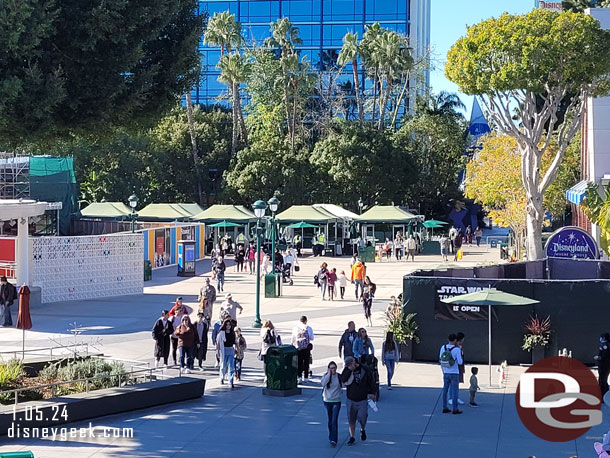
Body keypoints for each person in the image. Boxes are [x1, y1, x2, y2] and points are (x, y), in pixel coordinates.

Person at [341, 356, 376, 446]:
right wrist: (349, 370)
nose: (349, 366)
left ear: (354, 362)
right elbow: (342, 379)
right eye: (348, 365)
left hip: (362, 399)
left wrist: (372, 392)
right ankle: (352, 437)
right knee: (351, 420)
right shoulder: (347, 369)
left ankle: (362, 429)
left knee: (362, 417)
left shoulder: (364, 368)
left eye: (350, 364)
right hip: (351, 399)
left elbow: (371, 381)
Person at [439, 333, 464, 414]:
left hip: (445, 371)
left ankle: (444, 407)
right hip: (454, 372)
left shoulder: (443, 347)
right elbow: (460, 362)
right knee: (455, 391)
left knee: (445, 390)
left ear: (448, 339)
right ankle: (455, 409)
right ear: (455, 340)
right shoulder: (457, 349)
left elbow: (440, 358)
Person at [320, 361, 343, 447]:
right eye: (331, 368)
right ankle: (331, 436)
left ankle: (334, 439)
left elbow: (344, 384)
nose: (333, 370)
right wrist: (328, 374)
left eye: (334, 368)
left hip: (336, 401)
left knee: (334, 420)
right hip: (327, 400)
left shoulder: (338, 376)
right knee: (330, 421)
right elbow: (323, 383)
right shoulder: (326, 376)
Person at [292, 315, 314, 384]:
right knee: (306, 362)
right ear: (306, 321)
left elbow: (293, 338)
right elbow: (312, 338)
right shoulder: (308, 328)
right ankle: (306, 377)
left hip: (298, 348)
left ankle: (299, 377)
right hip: (306, 348)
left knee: (299, 362)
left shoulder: (296, 328)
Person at [168, 297, 188, 366]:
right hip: (174, 335)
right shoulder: (174, 308)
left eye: (181, 301)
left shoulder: (183, 308)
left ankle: (181, 360)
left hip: (181, 335)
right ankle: (174, 360)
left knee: (181, 348)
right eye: (179, 301)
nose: (180, 303)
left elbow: (187, 314)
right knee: (174, 348)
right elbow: (170, 314)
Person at [217, 319, 236, 387]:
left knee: (231, 366)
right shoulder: (222, 333)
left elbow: (234, 342)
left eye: (229, 325)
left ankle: (231, 380)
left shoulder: (232, 333)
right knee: (223, 365)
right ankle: (222, 377)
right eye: (227, 325)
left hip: (230, 350)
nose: (228, 326)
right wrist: (218, 352)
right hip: (224, 350)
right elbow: (218, 343)